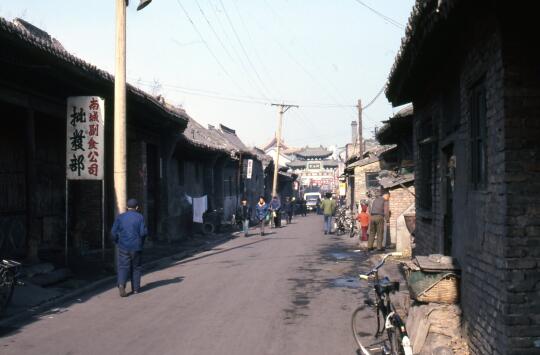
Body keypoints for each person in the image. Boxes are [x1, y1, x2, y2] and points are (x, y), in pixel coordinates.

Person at [111, 198, 148, 297]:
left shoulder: (120, 217)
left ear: (126, 207)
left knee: (123, 266)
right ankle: (135, 289)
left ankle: (121, 285)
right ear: (137, 207)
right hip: (136, 247)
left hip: (123, 246)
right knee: (136, 267)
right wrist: (141, 243)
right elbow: (143, 233)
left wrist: (117, 242)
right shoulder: (140, 217)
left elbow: (113, 232)